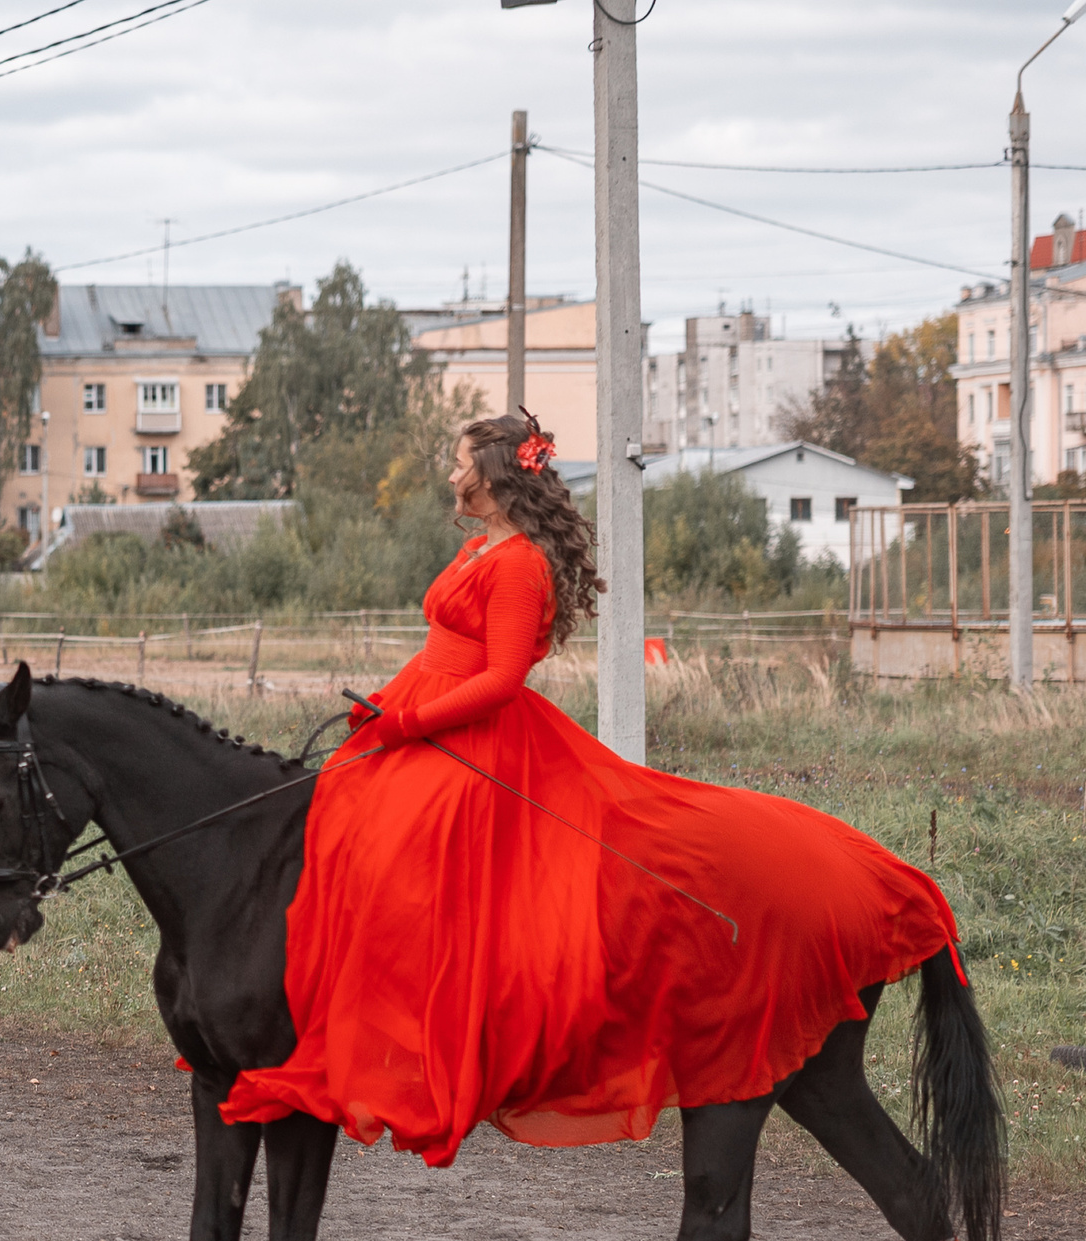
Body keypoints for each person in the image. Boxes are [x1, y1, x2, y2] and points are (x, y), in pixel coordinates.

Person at [219, 412, 958, 1162]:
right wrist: (388, 703)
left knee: (412, 868)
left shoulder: (517, 564)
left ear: (495, 473)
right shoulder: (483, 545)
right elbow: (446, 652)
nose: (449, 474)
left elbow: (503, 679)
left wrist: (408, 720)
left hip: (472, 740)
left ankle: (413, 1043)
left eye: (459, 461)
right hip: (421, 717)